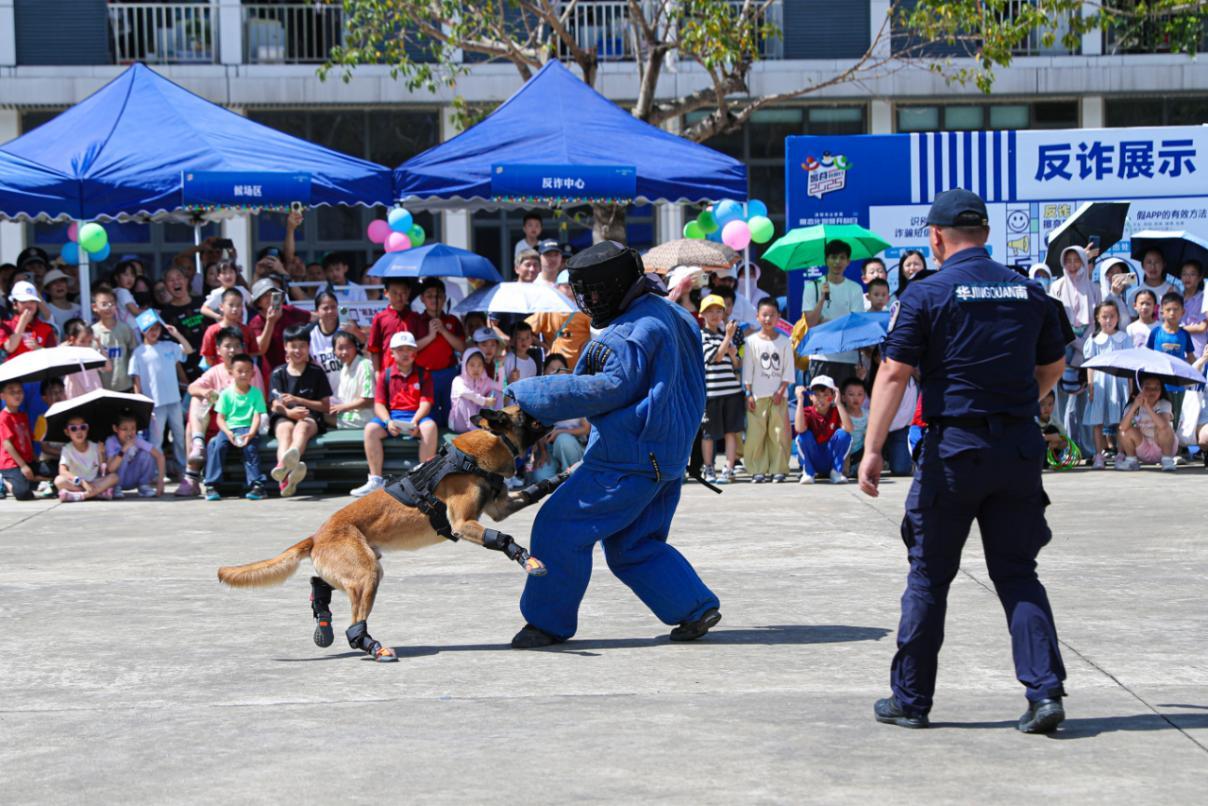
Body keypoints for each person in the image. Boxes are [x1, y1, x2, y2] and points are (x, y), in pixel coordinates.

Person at [858, 188, 1068, 734]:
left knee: (929, 576)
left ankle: (911, 700)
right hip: (1018, 448)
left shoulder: (926, 294)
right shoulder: (1030, 291)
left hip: (953, 453)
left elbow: (893, 373)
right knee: (1019, 572)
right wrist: (1021, 401)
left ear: (935, 238)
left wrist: (875, 448)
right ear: (987, 233)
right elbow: (1054, 365)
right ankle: (1045, 693)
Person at [505, 240, 721, 648]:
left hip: (628, 458)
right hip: (668, 457)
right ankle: (693, 607)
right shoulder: (674, 314)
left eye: (594, 291)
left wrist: (531, 394)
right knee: (634, 544)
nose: (589, 300)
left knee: (558, 528)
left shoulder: (627, 334)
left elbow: (607, 388)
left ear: (617, 285)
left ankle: (547, 623)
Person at [180, 327, 267, 497]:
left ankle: (257, 485)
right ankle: (202, 476)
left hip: (247, 423)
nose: (232, 350)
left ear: (243, 348)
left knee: (248, 447)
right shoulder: (214, 371)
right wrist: (206, 392)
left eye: (236, 345)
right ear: (218, 350)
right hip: (222, 424)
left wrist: (250, 430)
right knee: (197, 402)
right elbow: (192, 387)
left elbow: (259, 405)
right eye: (228, 346)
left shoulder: (252, 371)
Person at [349, 331, 437, 497]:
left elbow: (426, 402)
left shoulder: (423, 374)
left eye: (409, 349)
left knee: (430, 427)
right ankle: (375, 480)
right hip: (393, 417)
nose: (405, 353)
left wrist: (416, 421)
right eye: (400, 349)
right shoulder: (385, 374)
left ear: (415, 352)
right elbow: (379, 404)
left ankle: (425, 478)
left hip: (415, 415)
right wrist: (388, 421)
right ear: (392, 353)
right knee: (371, 430)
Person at [268, 325, 332, 498]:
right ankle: (287, 471)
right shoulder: (278, 373)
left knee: (301, 428)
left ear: (308, 347)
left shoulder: (316, 372)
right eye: (293, 345)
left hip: (309, 417)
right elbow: (275, 405)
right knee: (284, 430)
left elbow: (325, 406)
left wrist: (299, 401)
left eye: (302, 346)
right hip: (285, 416)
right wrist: (289, 413)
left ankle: (285, 468)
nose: (298, 350)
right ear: (285, 347)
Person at [129, 310, 193, 475]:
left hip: (174, 400)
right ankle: (156, 471)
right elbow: (136, 383)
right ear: (143, 331)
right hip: (154, 403)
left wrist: (176, 334)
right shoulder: (138, 354)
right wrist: (141, 405)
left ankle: (183, 468)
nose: (154, 332)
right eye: (150, 329)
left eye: (157, 328)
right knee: (156, 440)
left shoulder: (169, 346)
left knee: (179, 436)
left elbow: (188, 349)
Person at [741, 297, 793, 483]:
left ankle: (779, 468)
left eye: (772, 315)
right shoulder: (751, 342)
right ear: (757, 317)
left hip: (779, 396)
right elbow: (748, 369)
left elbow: (788, 369)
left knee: (779, 433)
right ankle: (757, 469)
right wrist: (748, 393)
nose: (768, 319)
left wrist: (781, 390)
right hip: (757, 395)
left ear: (779, 317)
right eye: (764, 315)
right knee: (756, 434)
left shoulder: (785, 342)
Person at [203, 353, 268, 501]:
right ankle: (211, 485)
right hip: (229, 429)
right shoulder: (226, 394)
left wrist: (251, 433)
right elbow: (220, 418)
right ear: (231, 372)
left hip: (248, 428)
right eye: (239, 371)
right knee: (218, 446)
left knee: (250, 450)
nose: (243, 374)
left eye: (247, 371)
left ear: (253, 373)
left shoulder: (256, 394)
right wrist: (228, 432)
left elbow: (258, 415)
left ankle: (257, 485)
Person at [801, 240, 864, 385]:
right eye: (833, 257)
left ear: (848, 262)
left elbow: (855, 325)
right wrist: (822, 299)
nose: (837, 262)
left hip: (848, 358)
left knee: (845, 406)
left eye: (842, 258)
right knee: (821, 406)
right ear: (826, 260)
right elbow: (810, 323)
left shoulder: (855, 288)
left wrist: (825, 322)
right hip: (820, 357)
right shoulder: (813, 287)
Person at [698, 294, 743, 484]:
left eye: (719, 311)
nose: (715, 315)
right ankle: (709, 467)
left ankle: (729, 468)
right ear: (702, 315)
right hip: (712, 393)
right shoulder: (702, 335)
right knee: (708, 433)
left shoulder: (725, 335)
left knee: (731, 432)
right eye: (710, 311)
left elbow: (736, 364)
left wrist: (733, 355)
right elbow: (715, 357)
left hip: (732, 391)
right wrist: (728, 338)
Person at [1082, 301, 1130, 469]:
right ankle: (1098, 455)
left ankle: (1121, 454)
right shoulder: (1094, 339)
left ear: (1118, 318)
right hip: (1100, 382)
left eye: (1112, 316)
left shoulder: (1124, 338)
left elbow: (1128, 366)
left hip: (1120, 382)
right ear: (1098, 318)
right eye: (1104, 316)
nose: (1108, 320)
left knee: (1121, 421)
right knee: (1098, 421)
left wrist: (1130, 388)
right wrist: (1090, 384)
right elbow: (1090, 364)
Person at [412, 277, 465, 428]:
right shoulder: (415, 320)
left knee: (451, 414)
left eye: (439, 295)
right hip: (424, 375)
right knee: (428, 416)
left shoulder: (452, 320)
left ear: (445, 298)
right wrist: (430, 336)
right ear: (422, 299)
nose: (434, 299)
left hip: (449, 374)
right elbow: (410, 349)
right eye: (429, 295)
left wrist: (443, 330)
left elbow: (462, 347)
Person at [527, 353, 588, 483]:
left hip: (573, 444)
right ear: (544, 372)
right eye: (551, 368)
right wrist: (543, 452)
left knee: (563, 440)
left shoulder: (576, 395)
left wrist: (561, 432)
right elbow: (538, 429)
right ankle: (560, 468)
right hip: (550, 447)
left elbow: (586, 428)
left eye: (560, 368)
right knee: (540, 478)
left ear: (567, 371)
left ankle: (571, 476)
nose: (556, 372)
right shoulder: (539, 398)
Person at [249, 277, 313, 381]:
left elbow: (314, 317)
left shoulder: (289, 311)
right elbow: (260, 349)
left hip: (299, 370)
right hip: (274, 374)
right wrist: (270, 322)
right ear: (258, 302)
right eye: (265, 296)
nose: (269, 298)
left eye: (272, 294)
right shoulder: (256, 322)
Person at [527, 269, 592, 369]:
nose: (571, 290)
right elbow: (525, 330)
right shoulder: (548, 311)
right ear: (557, 288)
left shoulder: (585, 312)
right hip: (555, 368)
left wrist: (585, 347)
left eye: (574, 286)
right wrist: (544, 346)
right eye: (566, 287)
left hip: (580, 368)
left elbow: (595, 335)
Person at [1146, 291, 1196, 419]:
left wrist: (1194, 376)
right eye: (1168, 309)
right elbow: (1147, 356)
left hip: (1178, 385)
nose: (1172, 313)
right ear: (1161, 311)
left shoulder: (1184, 335)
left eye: (1176, 309)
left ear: (1183, 312)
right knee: (1157, 420)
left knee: (1175, 419)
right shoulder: (1155, 333)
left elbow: (1191, 359)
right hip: (1158, 386)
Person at [793, 375, 851, 484]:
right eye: (817, 395)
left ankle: (836, 472)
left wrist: (838, 403)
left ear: (833, 396)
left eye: (826, 395)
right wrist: (800, 401)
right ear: (810, 397)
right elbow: (799, 429)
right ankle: (808, 472)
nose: (821, 399)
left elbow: (848, 428)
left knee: (844, 434)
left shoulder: (836, 411)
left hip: (830, 458)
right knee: (803, 436)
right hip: (814, 457)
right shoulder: (807, 412)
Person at [1116, 374, 1176, 471]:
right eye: (1147, 387)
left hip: (1163, 447)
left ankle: (1167, 460)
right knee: (1125, 430)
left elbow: (1163, 425)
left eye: (1156, 388)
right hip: (1142, 448)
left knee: (1164, 427)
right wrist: (1135, 406)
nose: (1152, 391)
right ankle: (1131, 460)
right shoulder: (1132, 405)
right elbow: (1122, 428)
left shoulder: (1164, 403)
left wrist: (1148, 407)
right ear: (1140, 388)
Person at [0, 381, 48, 500]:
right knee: (23, 493)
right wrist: (23, 466)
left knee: (51, 470)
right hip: (11, 464)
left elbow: (28, 440)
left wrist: (35, 459)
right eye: (12, 392)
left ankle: (30, 480)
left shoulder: (23, 415)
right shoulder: (4, 417)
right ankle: (4, 480)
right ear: (2, 396)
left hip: (27, 460)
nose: (17, 395)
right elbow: (7, 444)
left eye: (19, 391)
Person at [55, 415, 120, 502]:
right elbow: (62, 471)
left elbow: (103, 471)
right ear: (67, 432)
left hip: (94, 482)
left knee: (114, 477)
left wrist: (102, 454)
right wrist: (81, 481)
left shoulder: (95, 446)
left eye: (83, 427)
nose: (79, 431)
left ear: (87, 429)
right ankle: (97, 493)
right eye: (73, 428)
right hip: (77, 483)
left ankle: (81, 495)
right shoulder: (67, 449)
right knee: (59, 481)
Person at [159, 267, 208, 382]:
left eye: (179, 277)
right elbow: (170, 351)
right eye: (171, 280)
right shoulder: (165, 315)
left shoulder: (203, 303)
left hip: (211, 366)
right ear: (166, 286)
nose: (176, 282)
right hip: (188, 371)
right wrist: (182, 378)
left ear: (186, 281)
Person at [366, 278, 420, 373]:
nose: (399, 297)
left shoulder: (415, 318)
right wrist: (377, 373)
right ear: (386, 293)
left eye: (403, 293)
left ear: (409, 293)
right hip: (388, 372)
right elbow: (374, 349)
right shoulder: (380, 318)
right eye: (394, 293)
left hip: (412, 373)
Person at [90, 288, 138, 392]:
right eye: (104, 304)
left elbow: (135, 356)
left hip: (126, 385)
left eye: (111, 303)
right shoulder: (93, 332)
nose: (108, 307)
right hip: (103, 388)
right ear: (94, 307)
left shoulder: (125, 329)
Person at [106, 414, 165, 498]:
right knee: (122, 454)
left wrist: (160, 481)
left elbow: (159, 456)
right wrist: (123, 449)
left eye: (133, 428)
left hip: (132, 478)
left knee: (147, 453)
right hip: (116, 479)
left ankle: (144, 486)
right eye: (124, 429)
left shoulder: (137, 440)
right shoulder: (111, 441)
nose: (129, 432)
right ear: (115, 428)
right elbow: (110, 468)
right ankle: (116, 488)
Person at [327, 331, 375, 430]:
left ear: (355, 348)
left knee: (321, 417)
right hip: (349, 414)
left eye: (348, 347)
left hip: (365, 418)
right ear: (334, 351)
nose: (344, 352)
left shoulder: (365, 365)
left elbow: (368, 400)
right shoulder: (344, 367)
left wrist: (342, 407)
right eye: (340, 348)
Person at [199, 288, 259, 368]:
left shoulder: (247, 330)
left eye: (238, 305)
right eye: (231, 305)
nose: (235, 309)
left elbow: (252, 353)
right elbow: (208, 358)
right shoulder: (212, 331)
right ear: (221, 307)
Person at [448, 347, 502, 434]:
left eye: (480, 365)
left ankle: (497, 424)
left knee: (496, 393)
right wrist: (484, 401)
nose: (476, 369)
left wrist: (500, 368)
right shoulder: (458, 380)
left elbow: (500, 388)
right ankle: (478, 431)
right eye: (472, 365)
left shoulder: (485, 380)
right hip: (460, 424)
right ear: (465, 365)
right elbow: (464, 392)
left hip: (478, 419)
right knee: (463, 399)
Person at [1, 280, 57, 357]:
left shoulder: (46, 328)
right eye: (23, 302)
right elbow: (10, 348)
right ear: (14, 304)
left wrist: (39, 349)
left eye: (32, 302)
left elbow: (54, 356)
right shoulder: (5, 326)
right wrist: (22, 322)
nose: (29, 305)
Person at [60, 319, 108, 399]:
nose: (86, 345)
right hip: (75, 393)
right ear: (72, 339)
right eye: (82, 341)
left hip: (93, 392)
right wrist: (68, 344)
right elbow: (58, 351)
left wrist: (99, 344)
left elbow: (107, 367)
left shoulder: (92, 354)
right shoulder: (67, 353)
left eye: (89, 342)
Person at [307, 289, 343, 392]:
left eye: (333, 307)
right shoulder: (308, 333)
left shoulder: (347, 328)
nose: (330, 311)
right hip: (321, 394)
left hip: (347, 394)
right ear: (317, 311)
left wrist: (354, 331)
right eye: (325, 308)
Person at [200, 260, 253, 324]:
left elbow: (251, 302)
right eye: (224, 273)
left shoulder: (242, 290)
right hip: (226, 329)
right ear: (218, 277)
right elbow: (204, 309)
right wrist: (218, 316)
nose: (228, 276)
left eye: (231, 272)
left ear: (236, 274)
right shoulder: (217, 293)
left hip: (243, 327)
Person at [1098, 257, 1139, 328]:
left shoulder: (1123, 296)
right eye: (1111, 272)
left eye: (1118, 272)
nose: (1115, 275)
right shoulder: (1100, 294)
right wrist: (1113, 294)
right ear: (1105, 275)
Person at [840, 377, 869, 474]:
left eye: (860, 394)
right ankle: (845, 468)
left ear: (864, 397)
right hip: (843, 452)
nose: (856, 398)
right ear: (843, 397)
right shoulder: (841, 413)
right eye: (851, 394)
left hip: (859, 452)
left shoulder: (867, 415)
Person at [1179, 260, 1206, 356]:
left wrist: (1177, 329)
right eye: (1184, 274)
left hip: (1196, 349)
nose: (1187, 277)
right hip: (1177, 347)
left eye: (1192, 274)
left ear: (1200, 278)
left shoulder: (1204, 298)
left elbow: (1202, 327)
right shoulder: (1176, 297)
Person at [41, 268, 80, 333]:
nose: (59, 285)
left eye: (62, 281)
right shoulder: (46, 309)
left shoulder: (78, 308)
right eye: (54, 283)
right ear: (47, 290)